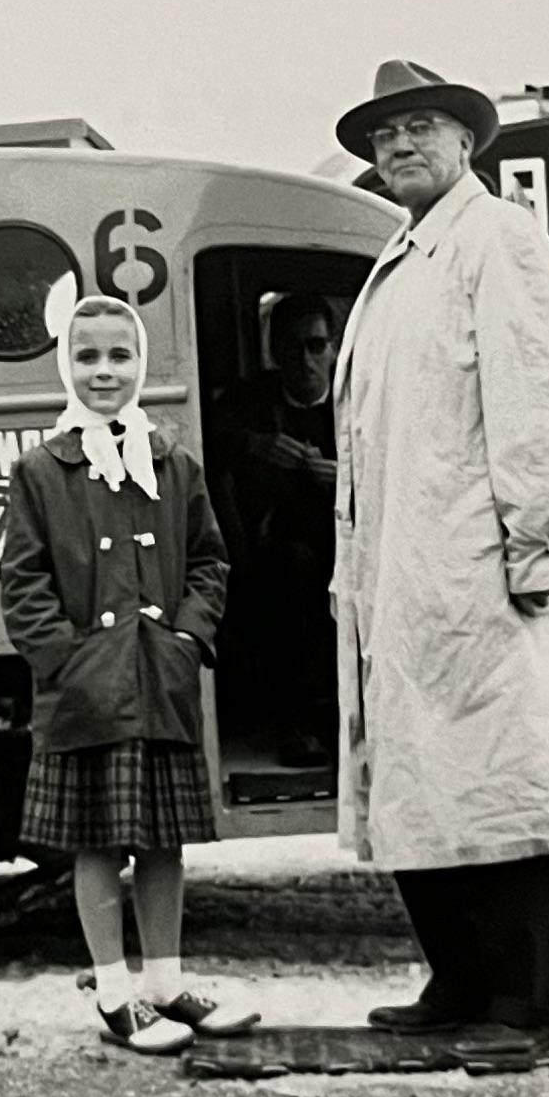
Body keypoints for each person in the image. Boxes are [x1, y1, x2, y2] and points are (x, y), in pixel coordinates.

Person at [329, 60, 549, 1063]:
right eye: (386, 135)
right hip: (408, 570)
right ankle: (460, 981)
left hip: (480, 563)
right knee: (428, 785)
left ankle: (530, 1003)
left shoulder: (498, 242)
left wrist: (532, 547)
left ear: (466, 141)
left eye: (421, 127)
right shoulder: (404, 259)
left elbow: (541, 405)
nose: (400, 147)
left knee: (512, 784)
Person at [0, 294, 258, 1055]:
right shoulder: (41, 470)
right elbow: (22, 582)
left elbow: (210, 561)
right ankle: (114, 990)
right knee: (99, 842)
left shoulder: (172, 464)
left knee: (164, 842)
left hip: (160, 680)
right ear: (66, 366)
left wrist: (187, 639)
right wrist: (67, 661)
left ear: (141, 364)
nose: (103, 371)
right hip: (88, 691)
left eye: (118, 356)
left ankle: (167, 982)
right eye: (87, 357)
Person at [225, 294, 341, 767]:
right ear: (274, 353)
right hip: (280, 549)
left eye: (316, 346)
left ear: (334, 349)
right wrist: (257, 445)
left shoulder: (359, 399)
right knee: (292, 574)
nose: (305, 361)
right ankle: (302, 723)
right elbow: (203, 439)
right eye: (292, 348)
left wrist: (347, 476)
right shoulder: (250, 402)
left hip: (352, 538)